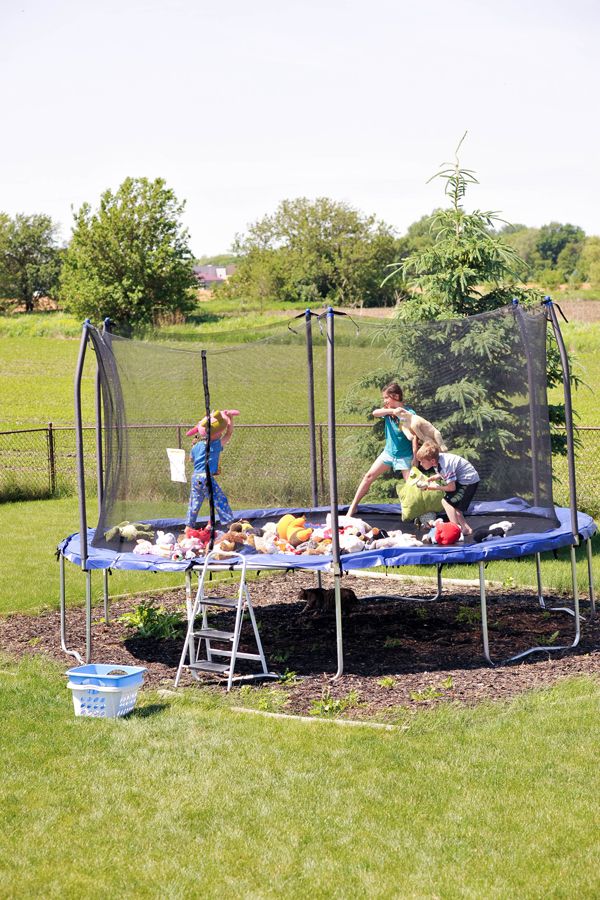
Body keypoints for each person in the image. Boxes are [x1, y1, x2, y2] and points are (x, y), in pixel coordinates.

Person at [347, 382, 417, 518]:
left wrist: (415, 457)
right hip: (389, 453)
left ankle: (417, 515)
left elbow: (414, 436)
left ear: (396, 396)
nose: (385, 401)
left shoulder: (409, 413)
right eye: (384, 398)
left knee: (411, 487)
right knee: (368, 477)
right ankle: (353, 508)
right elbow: (375, 413)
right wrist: (392, 411)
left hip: (405, 456)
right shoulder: (387, 411)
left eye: (387, 398)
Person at [415, 440, 480, 536]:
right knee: (455, 507)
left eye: (422, 462)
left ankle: (455, 530)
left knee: (446, 502)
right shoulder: (438, 460)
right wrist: (434, 477)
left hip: (468, 481)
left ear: (432, 461)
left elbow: (451, 488)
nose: (421, 464)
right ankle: (466, 529)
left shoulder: (445, 465)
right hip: (464, 479)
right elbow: (443, 473)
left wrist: (434, 488)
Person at [185, 411, 234, 535]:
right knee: (219, 499)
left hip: (195, 477)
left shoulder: (196, 446)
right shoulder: (215, 444)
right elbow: (229, 434)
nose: (221, 433)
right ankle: (229, 524)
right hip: (206, 477)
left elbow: (191, 459)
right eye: (219, 432)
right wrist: (230, 420)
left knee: (194, 503)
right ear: (213, 434)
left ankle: (188, 526)